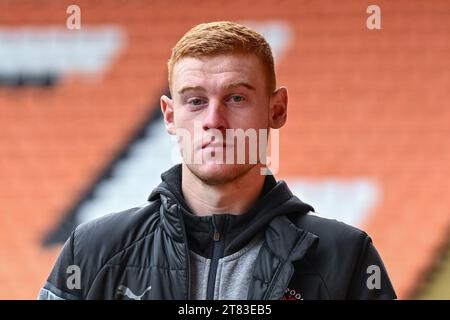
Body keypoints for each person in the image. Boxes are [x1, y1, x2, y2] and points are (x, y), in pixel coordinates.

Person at [38, 21, 396, 300]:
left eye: (236, 98)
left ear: (277, 109)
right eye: (195, 101)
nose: (214, 120)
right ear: (169, 115)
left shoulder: (345, 257)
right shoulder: (93, 251)